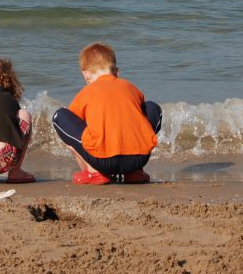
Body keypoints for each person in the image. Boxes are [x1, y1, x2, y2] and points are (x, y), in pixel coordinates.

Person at [52, 42, 161, 185]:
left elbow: (75, 122)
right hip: (138, 158)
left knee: (61, 116)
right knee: (152, 108)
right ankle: (134, 172)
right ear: (116, 71)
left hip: (102, 161)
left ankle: (93, 172)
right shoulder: (131, 88)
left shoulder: (87, 91)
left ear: (86, 74)